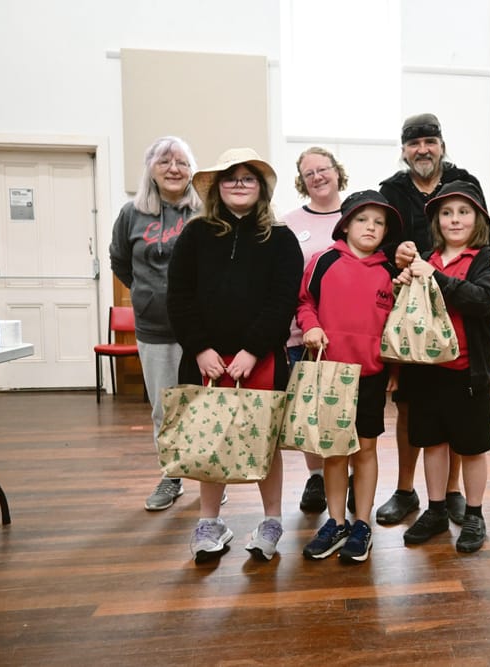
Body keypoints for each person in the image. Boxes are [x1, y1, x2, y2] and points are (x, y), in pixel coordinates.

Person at [167, 147, 304, 563]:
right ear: (217, 187)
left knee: (265, 439)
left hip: (259, 358)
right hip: (204, 358)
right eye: (231, 177)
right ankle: (210, 521)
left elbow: (282, 301)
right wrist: (201, 347)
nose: (239, 184)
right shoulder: (194, 235)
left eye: (248, 178)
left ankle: (272, 520)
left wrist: (252, 349)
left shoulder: (280, 238)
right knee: (210, 434)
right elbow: (179, 297)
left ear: (260, 187)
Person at [376, 113, 490, 527]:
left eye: (429, 141)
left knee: (458, 419)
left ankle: (452, 493)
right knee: (412, 410)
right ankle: (407, 490)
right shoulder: (391, 190)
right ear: (404, 149)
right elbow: (380, 241)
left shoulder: (466, 180)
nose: (422, 149)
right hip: (411, 316)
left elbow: (485, 241)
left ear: (442, 144)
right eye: (414, 143)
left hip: (458, 311)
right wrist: (400, 254)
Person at [395, 181, 490, 554]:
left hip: (467, 373)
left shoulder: (484, 258)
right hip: (427, 371)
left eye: (463, 212)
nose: (455, 220)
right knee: (433, 444)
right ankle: (436, 509)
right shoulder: (427, 257)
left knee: (471, 448)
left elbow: (481, 301)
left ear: (478, 219)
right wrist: (404, 283)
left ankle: (474, 513)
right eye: (446, 213)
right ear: (435, 221)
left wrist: (433, 277)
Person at [297, 190, 401, 564]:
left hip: (371, 375)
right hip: (331, 373)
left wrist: (394, 368)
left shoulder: (391, 273)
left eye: (378, 222)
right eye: (362, 219)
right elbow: (304, 302)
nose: (370, 227)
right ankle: (336, 522)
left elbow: (396, 327)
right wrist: (310, 326)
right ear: (345, 224)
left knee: (367, 449)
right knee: (335, 452)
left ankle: (362, 524)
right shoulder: (323, 261)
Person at [109, 136, 201, 511]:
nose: (173, 169)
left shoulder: (205, 211)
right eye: (164, 162)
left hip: (201, 329)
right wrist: (147, 294)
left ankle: (212, 475)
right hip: (156, 329)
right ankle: (172, 476)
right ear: (151, 169)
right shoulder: (132, 213)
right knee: (165, 408)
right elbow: (119, 261)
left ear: (192, 169)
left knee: (203, 404)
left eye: (181, 162)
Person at [282, 146, 350, 515]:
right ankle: (316, 477)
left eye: (323, 169)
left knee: (345, 412)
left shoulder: (357, 216)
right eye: (309, 174)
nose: (318, 177)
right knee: (309, 412)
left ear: (337, 172)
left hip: (351, 335)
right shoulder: (289, 223)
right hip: (303, 336)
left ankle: (347, 474)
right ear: (302, 181)